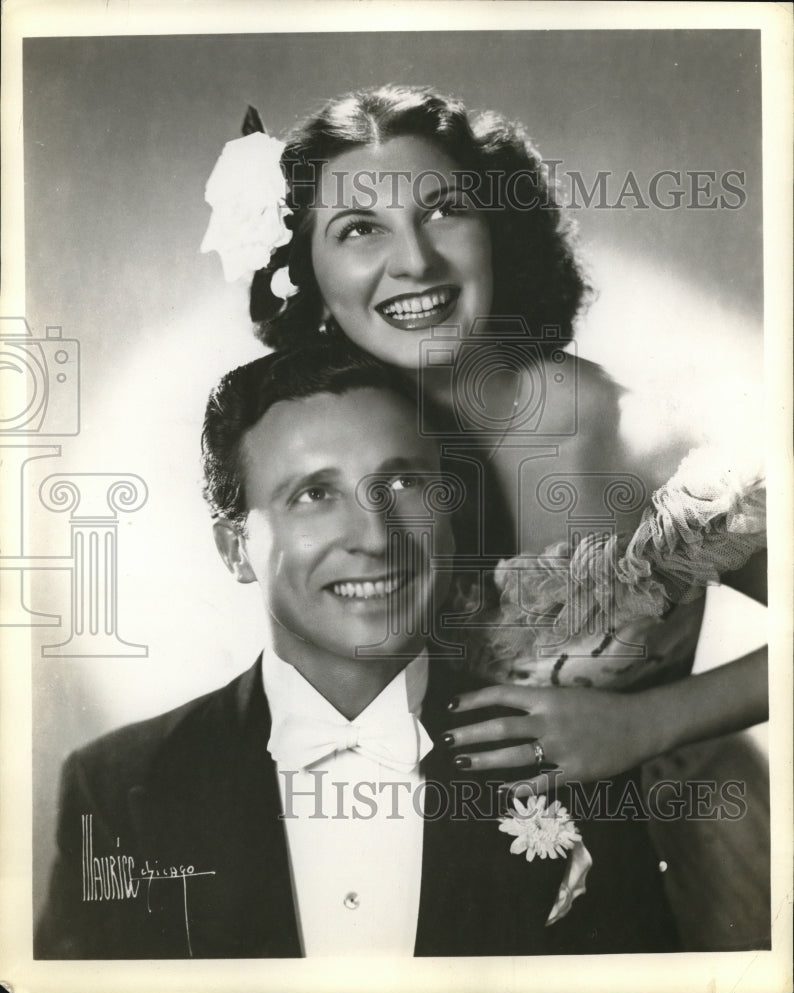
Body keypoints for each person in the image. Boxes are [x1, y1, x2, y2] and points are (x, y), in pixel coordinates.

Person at [200, 84, 769, 949]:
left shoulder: (636, 432)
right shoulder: (311, 463)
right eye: (359, 229)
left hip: (671, 872)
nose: (416, 262)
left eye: (444, 212)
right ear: (302, 267)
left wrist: (646, 723)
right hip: (430, 901)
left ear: (499, 230)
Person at [34, 344, 679, 959]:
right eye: (315, 493)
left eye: (401, 483)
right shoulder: (118, 787)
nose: (375, 535)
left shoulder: (567, 748)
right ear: (234, 549)